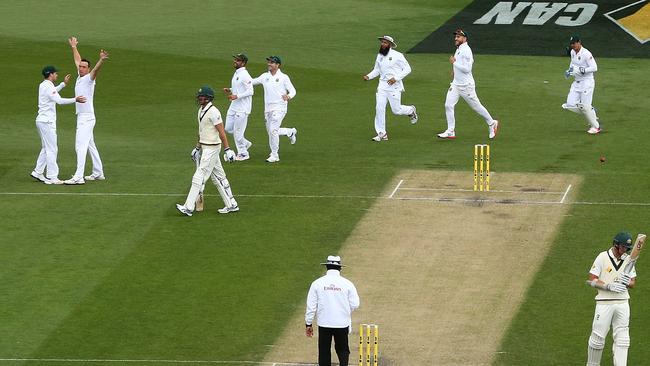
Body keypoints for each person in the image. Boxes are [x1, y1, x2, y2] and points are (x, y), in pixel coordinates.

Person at [176, 86, 238, 216]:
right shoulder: (201, 110)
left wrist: (227, 149)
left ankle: (188, 207)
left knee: (198, 176)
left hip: (212, 148)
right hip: (205, 147)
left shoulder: (214, 112)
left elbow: (221, 132)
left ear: (208, 98)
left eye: (202, 96)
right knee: (219, 178)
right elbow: (201, 131)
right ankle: (232, 204)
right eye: (199, 96)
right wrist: (197, 147)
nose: (199, 98)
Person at [585, 231, 638, 366]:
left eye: (627, 248)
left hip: (623, 303)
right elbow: (591, 279)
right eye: (623, 247)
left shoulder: (628, 260)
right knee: (597, 338)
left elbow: (633, 283)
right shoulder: (602, 257)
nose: (625, 250)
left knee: (623, 340)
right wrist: (608, 286)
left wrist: (627, 282)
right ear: (616, 245)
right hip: (604, 303)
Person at [437, 28, 499, 140]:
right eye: (455, 36)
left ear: (465, 38)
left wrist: (454, 63)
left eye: (458, 37)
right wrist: (454, 71)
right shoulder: (459, 48)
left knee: (476, 107)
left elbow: (467, 69)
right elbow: (460, 65)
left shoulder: (466, 50)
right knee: (448, 105)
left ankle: (492, 123)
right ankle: (450, 131)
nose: (456, 38)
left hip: (466, 86)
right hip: (456, 84)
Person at [64, 37, 109, 185]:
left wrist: (101, 60)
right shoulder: (79, 76)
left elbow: (96, 70)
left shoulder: (90, 78)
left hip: (86, 118)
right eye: (80, 66)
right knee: (90, 144)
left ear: (88, 69)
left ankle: (78, 176)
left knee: (80, 146)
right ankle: (98, 172)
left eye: (84, 67)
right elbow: (77, 60)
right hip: (84, 116)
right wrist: (74, 47)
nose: (81, 68)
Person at [31, 66, 86, 185]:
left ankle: (38, 172)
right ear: (50, 74)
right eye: (55, 73)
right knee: (52, 149)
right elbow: (59, 101)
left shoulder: (43, 85)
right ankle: (52, 177)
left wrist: (63, 84)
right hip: (47, 122)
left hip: (42, 121)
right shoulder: (48, 86)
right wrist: (75, 99)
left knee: (46, 148)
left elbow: (53, 93)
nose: (57, 75)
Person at [305, 255, 360, 366]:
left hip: (324, 323)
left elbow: (311, 306)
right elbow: (355, 304)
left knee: (324, 351)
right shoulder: (347, 284)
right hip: (341, 323)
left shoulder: (317, 283)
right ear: (339, 268)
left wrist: (308, 324)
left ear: (327, 267)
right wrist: (344, 310)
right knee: (343, 349)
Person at [363, 35, 418, 142]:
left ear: (390, 45)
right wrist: (368, 76)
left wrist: (396, 78)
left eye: (385, 43)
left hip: (394, 87)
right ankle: (382, 133)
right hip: (382, 86)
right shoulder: (379, 55)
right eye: (382, 42)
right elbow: (377, 70)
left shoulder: (398, 55)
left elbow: (408, 69)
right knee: (379, 108)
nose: (382, 44)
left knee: (396, 110)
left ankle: (411, 110)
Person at [252, 56, 297, 163]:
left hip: (280, 107)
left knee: (273, 130)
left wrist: (289, 96)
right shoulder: (265, 76)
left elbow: (293, 90)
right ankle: (290, 132)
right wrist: (232, 89)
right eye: (269, 62)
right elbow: (251, 82)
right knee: (272, 132)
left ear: (278, 65)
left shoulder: (283, 77)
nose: (269, 64)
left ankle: (274, 155)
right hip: (268, 109)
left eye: (272, 62)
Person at [562, 35, 601, 134]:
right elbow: (573, 64)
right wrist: (569, 71)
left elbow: (594, 67)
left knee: (584, 105)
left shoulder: (586, 54)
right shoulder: (572, 52)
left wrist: (584, 70)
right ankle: (591, 111)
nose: (573, 45)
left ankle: (596, 127)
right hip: (576, 82)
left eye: (574, 43)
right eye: (571, 44)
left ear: (579, 42)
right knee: (569, 104)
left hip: (587, 82)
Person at [223, 53, 254, 161]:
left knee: (237, 132)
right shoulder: (237, 73)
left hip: (242, 108)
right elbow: (239, 87)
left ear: (243, 63)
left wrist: (237, 96)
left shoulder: (245, 75)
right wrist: (231, 90)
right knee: (228, 128)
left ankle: (243, 153)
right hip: (234, 106)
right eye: (235, 59)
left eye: (238, 60)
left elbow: (251, 91)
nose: (235, 61)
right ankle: (245, 143)